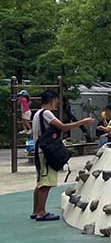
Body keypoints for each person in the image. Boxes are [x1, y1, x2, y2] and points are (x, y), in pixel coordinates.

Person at [30, 90, 94, 221]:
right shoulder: (47, 113)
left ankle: (36, 211)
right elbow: (63, 127)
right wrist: (82, 122)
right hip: (46, 152)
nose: (57, 103)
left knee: (40, 182)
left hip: (40, 150)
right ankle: (41, 212)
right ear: (51, 100)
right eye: (56, 100)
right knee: (46, 184)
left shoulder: (37, 114)